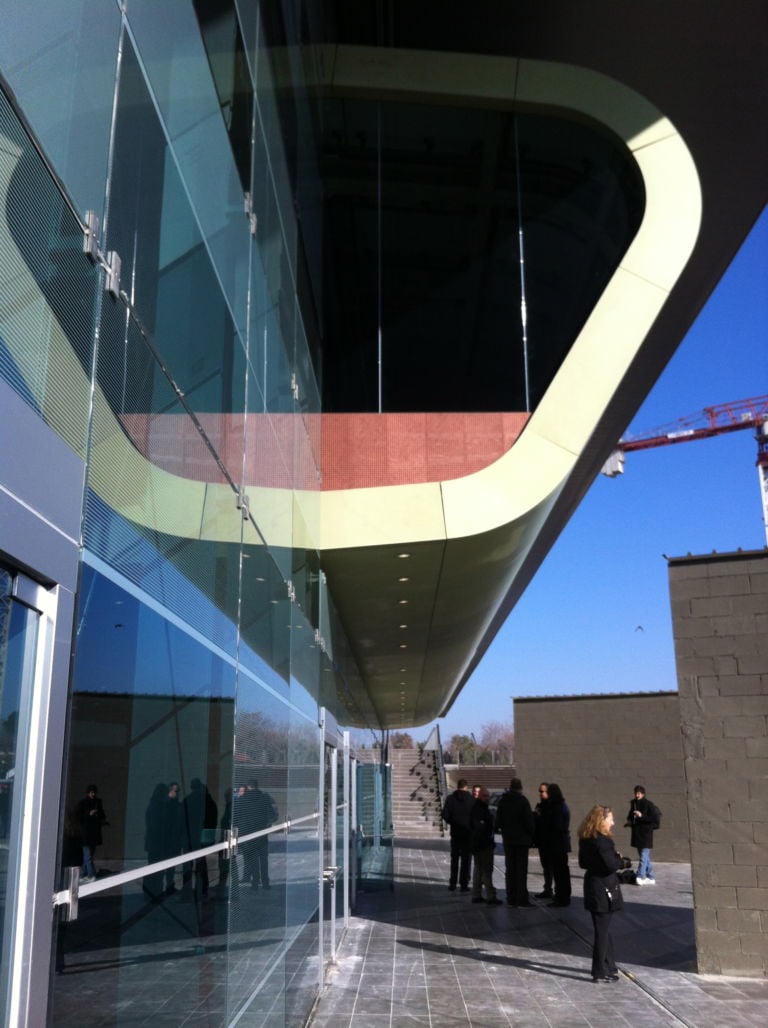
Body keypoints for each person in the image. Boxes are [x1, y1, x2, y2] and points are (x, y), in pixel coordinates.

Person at [578, 805, 624, 983]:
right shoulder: (604, 841)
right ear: (601, 820)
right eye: (610, 818)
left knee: (603, 929)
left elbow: (583, 863)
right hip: (603, 890)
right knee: (602, 932)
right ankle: (599, 971)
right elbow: (611, 865)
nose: (613, 822)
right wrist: (619, 859)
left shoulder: (586, 839)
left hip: (592, 885)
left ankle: (610, 966)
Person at [494, 777, 535, 906]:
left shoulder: (503, 801)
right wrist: (532, 835)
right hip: (522, 841)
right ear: (520, 788)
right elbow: (529, 822)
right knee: (521, 870)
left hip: (508, 840)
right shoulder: (523, 801)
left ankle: (511, 897)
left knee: (510, 869)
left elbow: (498, 821)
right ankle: (521, 898)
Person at [236, 778, 278, 889]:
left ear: (248, 787)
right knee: (263, 859)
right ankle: (265, 883)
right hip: (262, 832)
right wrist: (266, 824)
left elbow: (237, 817)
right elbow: (272, 815)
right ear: (257, 786)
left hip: (248, 834)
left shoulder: (242, 799)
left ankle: (255, 882)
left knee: (253, 858)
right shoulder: (264, 798)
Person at [182, 778, 218, 899]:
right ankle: (202, 890)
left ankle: (187, 892)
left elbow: (182, 820)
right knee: (201, 866)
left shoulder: (188, 800)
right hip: (202, 839)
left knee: (188, 865)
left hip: (190, 838)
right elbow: (212, 821)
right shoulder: (209, 801)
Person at [537, 782, 571, 906]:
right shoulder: (559, 806)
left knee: (560, 872)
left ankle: (561, 898)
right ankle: (561, 896)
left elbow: (554, 826)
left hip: (557, 844)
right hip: (559, 843)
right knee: (560, 872)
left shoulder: (557, 807)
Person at [469, 786, 501, 904]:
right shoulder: (479, 809)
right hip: (483, 844)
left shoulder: (479, 808)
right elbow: (481, 827)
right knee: (486, 870)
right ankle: (491, 896)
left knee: (478, 869)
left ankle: (476, 894)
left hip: (478, 844)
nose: (487, 798)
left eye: (488, 796)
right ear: (480, 796)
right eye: (485, 796)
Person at [441, 778, 473, 892]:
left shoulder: (450, 799)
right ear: (466, 787)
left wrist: (452, 822)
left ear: (457, 786)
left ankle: (453, 883)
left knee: (454, 858)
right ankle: (464, 884)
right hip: (468, 833)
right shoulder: (471, 800)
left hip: (455, 832)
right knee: (466, 859)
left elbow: (445, 814)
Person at [625, 785, 660, 884]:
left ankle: (640, 876)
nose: (637, 795)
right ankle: (651, 877)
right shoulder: (634, 804)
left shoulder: (649, 804)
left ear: (643, 794)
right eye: (636, 793)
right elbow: (630, 816)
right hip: (637, 834)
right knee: (644, 856)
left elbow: (654, 819)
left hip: (646, 834)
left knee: (643, 856)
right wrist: (630, 822)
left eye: (639, 793)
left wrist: (641, 816)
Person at [76, 784, 107, 883]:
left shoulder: (98, 803)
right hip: (86, 833)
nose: (93, 794)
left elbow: (103, 815)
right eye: (91, 792)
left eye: (94, 792)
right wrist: (89, 814)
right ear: (88, 793)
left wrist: (98, 816)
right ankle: (90, 874)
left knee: (88, 856)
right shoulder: (83, 803)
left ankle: (86, 874)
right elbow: (79, 817)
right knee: (87, 855)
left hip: (94, 833)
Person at [533, 783, 553, 899]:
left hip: (550, 842)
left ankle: (551, 889)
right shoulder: (540, 806)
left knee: (551, 867)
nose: (540, 794)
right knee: (546, 867)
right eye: (539, 791)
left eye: (542, 791)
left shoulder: (552, 806)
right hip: (542, 841)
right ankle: (547, 889)